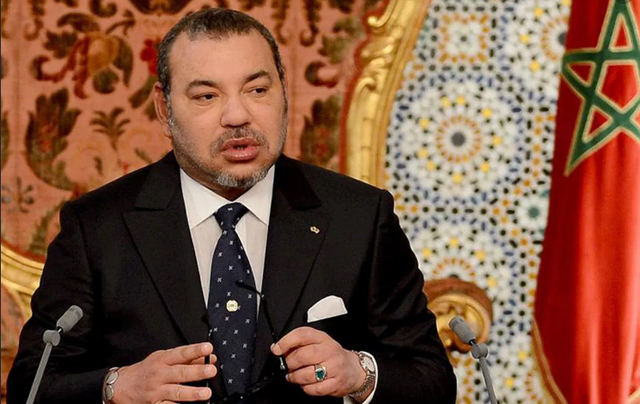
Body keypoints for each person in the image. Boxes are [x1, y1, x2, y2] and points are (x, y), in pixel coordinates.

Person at [7, 8, 456, 404]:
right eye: (207, 96)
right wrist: (116, 387)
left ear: (284, 92)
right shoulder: (98, 227)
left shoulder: (359, 217)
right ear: (164, 109)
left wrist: (360, 375)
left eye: (257, 90)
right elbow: (33, 383)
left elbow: (432, 380)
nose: (238, 116)